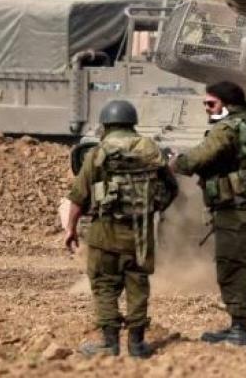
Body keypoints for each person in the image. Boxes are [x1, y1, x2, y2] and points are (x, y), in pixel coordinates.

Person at [169, 81, 246, 347]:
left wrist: (175, 162)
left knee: (233, 269)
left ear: (227, 105)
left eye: (211, 103)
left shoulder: (226, 128)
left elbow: (197, 159)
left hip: (236, 214)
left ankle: (238, 329)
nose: (207, 108)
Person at [63, 99, 177, 358]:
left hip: (105, 232)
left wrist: (70, 229)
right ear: (132, 123)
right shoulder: (151, 150)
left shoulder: (97, 154)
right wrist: (153, 208)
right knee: (138, 286)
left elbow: (79, 196)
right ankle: (136, 345)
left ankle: (109, 343)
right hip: (141, 234)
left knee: (104, 285)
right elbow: (172, 188)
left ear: (106, 125)